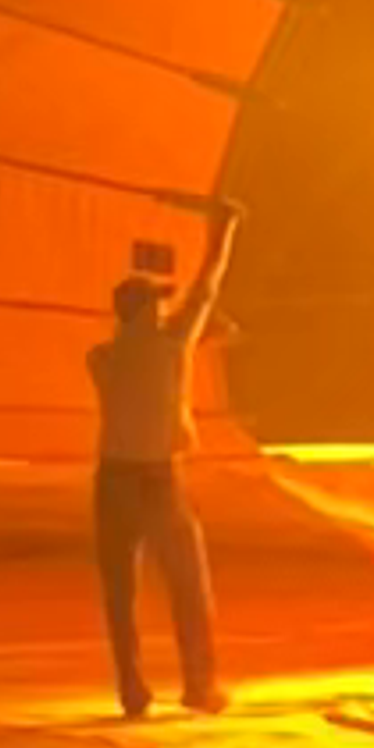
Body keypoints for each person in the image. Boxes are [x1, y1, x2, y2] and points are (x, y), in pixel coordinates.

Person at [88, 196, 240, 718]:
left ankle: (131, 689)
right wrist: (225, 232)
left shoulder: (102, 358)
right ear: (148, 310)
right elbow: (207, 286)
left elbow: (135, 368)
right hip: (156, 480)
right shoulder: (173, 343)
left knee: (119, 592)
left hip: (110, 481)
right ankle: (200, 685)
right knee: (188, 585)